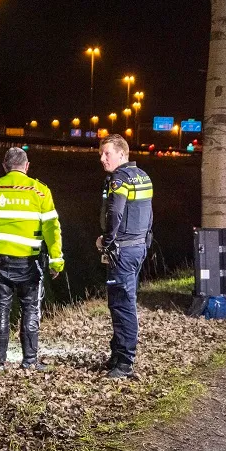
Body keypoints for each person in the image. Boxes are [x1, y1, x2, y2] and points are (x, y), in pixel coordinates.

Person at [0, 147, 64, 371]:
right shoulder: (41, 192)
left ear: (4, 166)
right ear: (27, 167)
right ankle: (29, 361)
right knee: (30, 308)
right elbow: (52, 230)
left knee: (0, 309)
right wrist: (57, 261)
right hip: (29, 262)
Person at [96, 134, 153, 379]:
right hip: (137, 247)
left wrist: (106, 242)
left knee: (122, 304)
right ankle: (118, 355)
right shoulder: (143, 176)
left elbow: (115, 214)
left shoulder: (119, 180)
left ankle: (125, 362)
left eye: (106, 153)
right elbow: (149, 214)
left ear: (121, 153)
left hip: (122, 250)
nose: (102, 158)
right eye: (101, 153)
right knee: (122, 301)